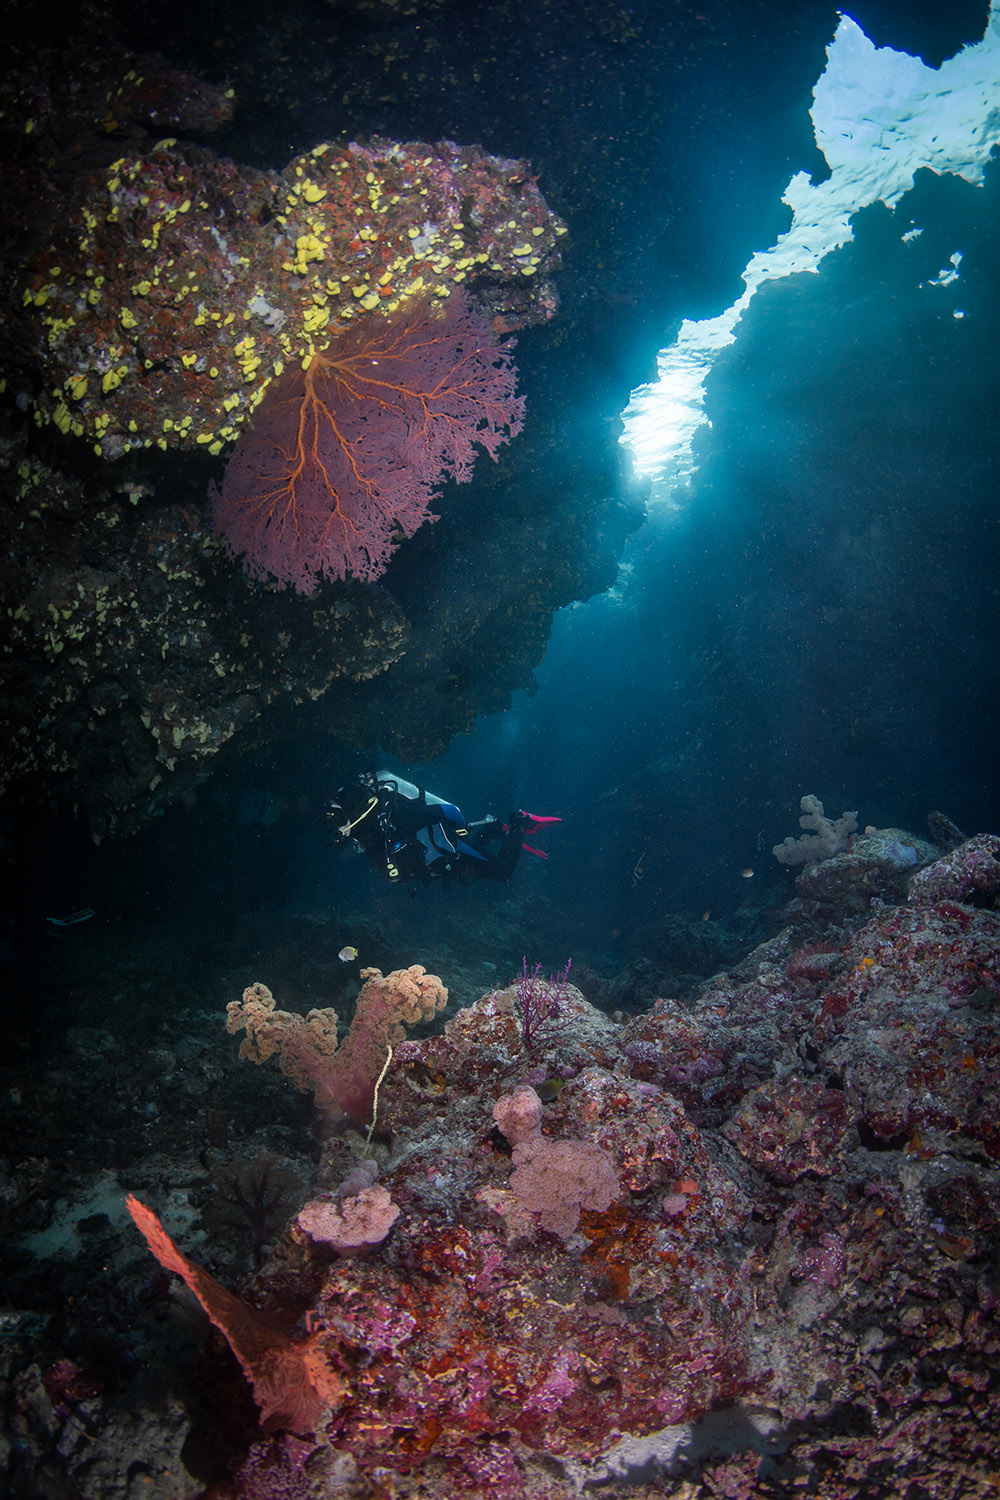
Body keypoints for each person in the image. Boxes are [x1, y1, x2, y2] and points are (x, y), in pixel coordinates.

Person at [329, 770, 559, 888]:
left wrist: (460, 829)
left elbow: (450, 811)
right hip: (445, 861)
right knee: (480, 868)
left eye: (338, 817)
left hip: (453, 848)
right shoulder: (370, 833)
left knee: (503, 873)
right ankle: (491, 832)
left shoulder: (399, 816)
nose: (337, 826)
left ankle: (519, 822)